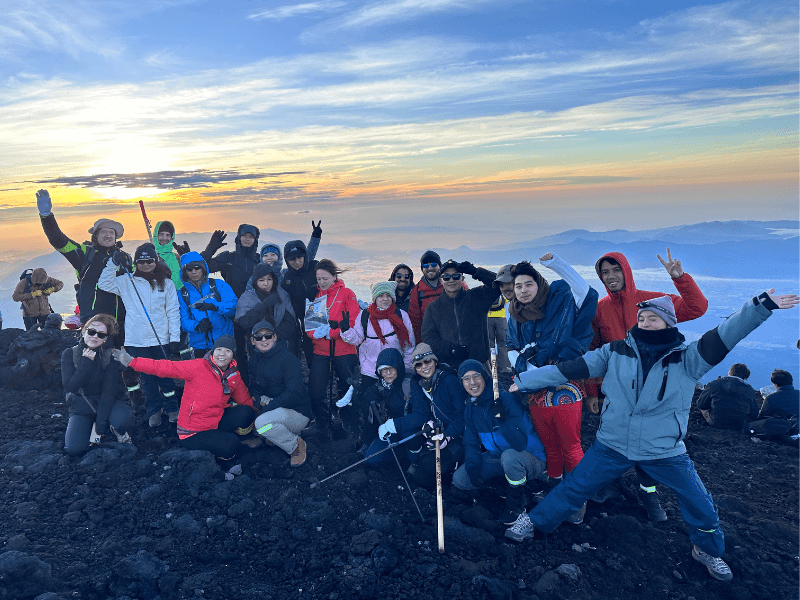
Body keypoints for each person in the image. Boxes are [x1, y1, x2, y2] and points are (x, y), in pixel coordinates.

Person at [504, 290, 799, 583]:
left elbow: (726, 334)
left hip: (665, 450)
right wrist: (525, 380)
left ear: (669, 323)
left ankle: (707, 550)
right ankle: (534, 521)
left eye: (653, 318)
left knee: (700, 504)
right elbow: (568, 369)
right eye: (642, 317)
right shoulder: (616, 351)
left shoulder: (689, 358)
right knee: (575, 488)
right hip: (613, 444)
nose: (645, 321)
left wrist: (761, 306)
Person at [585, 248, 708, 520]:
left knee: (646, 444)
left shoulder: (652, 301)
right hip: (616, 392)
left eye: (616, 270)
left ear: (626, 271)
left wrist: (680, 278)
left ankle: (649, 495)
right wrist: (592, 391)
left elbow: (696, 307)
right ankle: (605, 486)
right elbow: (594, 351)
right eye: (605, 272)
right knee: (610, 441)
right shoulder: (600, 309)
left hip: (653, 390)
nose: (611, 276)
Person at [506, 254, 598, 489]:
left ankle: (578, 496)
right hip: (536, 393)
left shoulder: (561, 303)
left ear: (539, 284)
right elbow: (512, 347)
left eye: (529, 284)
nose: (523, 290)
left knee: (571, 446)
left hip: (564, 387)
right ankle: (555, 488)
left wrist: (556, 264)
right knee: (551, 448)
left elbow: (587, 294)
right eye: (518, 286)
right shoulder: (516, 315)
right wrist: (531, 372)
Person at [114, 335, 257, 461]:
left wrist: (260, 423)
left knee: (246, 412)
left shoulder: (233, 376)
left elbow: (244, 400)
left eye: (228, 351)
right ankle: (217, 453)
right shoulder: (198, 367)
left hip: (215, 420)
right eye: (219, 349)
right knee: (232, 445)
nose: (222, 354)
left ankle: (219, 437)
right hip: (193, 431)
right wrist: (132, 362)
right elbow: (164, 367)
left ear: (233, 355)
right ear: (213, 351)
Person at [453, 359, 547, 525]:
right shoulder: (471, 408)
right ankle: (511, 486)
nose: (472, 382)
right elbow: (471, 443)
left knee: (510, 457)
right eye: (466, 379)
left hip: (530, 457)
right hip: (499, 457)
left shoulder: (506, 400)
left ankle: (516, 505)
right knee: (461, 478)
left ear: (485, 378)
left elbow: (520, 444)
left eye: (476, 376)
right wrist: (473, 467)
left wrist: (502, 421)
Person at [98, 243, 181, 427]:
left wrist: (175, 337)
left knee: (166, 374)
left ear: (155, 261)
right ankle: (154, 411)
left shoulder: (166, 284)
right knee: (147, 378)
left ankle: (172, 408)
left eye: (149, 261)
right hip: (137, 340)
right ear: (135, 263)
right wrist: (113, 263)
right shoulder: (126, 281)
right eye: (141, 261)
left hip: (162, 338)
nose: (145, 264)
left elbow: (173, 311)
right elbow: (103, 283)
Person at [35, 189, 126, 329]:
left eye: (112, 233)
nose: (108, 236)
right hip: (92, 321)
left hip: (121, 321)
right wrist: (46, 216)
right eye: (104, 232)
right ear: (95, 236)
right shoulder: (85, 253)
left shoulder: (124, 258)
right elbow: (59, 241)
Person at [61, 314, 134, 455]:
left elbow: (108, 393)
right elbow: (71, 387)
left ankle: (115, 428)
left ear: (106, 338)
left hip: (108, 402)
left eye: (101, 335)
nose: (95, 337)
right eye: (91, 332)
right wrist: (85, 363)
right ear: (84, 330)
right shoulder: (70, 353)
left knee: (124, 420)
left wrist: (100, 427)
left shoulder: (110, 356)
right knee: (74, 449)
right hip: (83, 405)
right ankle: (89, 424)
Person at [305, 259, 360, 439]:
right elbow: (310, 327)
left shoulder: (347, 294)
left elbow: (353, 322)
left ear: (334, 276)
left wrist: (333, 332)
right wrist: (316, 334)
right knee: (316, 390)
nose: (321, 282)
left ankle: (347, 422)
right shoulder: (316, 296)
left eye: (325, 278)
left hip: (344, 349)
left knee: (346, 387)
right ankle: (321, 423)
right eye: (318, 278)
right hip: (321, 349)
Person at [249, 321, 312, 466]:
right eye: (258, 337)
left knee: (262, 425)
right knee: (258, 430)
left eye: (268, 336)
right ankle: (278, 435)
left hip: (298, 413)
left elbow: (295, 392)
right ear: (252, 341)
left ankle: (295, 444)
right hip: (276, 410)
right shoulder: (254, 361)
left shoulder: (288, 359)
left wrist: (269, 406)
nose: (264, 340)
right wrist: (259, 399)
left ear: (275, 337)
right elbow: (254, 388)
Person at [407, 343, 466, 488]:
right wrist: (428, 423)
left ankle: (457, 466)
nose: (424, 367)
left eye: (427, 361)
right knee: (421, 479)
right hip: (437, 433)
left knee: (430, 464)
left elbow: (463, 414)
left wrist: (448, 435)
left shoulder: (449, 381)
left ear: (435, 361)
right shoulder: (419, 385)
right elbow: (422, 411)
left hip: (458, 435)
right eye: (419, 365)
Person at [421, 260, 499, 370]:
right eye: (446, 277)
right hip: (449, 368)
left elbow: (498, 284)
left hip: (479, 364)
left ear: (462, 279)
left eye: (456, 276)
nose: (451, 280)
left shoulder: (477, 297)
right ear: (440, 281)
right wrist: (450, 349)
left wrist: (474, 271)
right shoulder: (433, 308)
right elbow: (429, 338)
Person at [341, 281, 415, 386]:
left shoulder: (401, 315)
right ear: (375, 298)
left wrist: (407, 367)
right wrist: (346, 330)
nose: (385, 299)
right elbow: (357, 339)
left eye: (388, 295)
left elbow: (409, 344)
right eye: (381, 295)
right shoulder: (365, 316)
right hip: (370, 369)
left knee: (393, 400)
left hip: (395, 369)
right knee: (370, 398)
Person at [362, 348, 428, 465]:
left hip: (410, 429)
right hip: (390, 430)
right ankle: (400, 453)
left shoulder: (410, 384)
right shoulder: (379, 388)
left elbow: (421, 415)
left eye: (391, 369)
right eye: (383, 370)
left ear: (398, 367)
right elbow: (370, 419)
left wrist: (395, 424)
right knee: (371, 459)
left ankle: (415, 458)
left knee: (409, 437)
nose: (387, 373)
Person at [177, 252, 238, 358]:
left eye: (197, 268)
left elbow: (234, 307)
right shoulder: (182, 293)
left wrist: (215, 306)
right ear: (185, 272)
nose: (194, 272)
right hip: (199, 346)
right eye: (189, 269)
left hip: (224, 343)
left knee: (226, 374)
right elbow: (183, 320)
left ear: (203, 268)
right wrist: (197, 326)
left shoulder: (219, 285)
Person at [281, 221, 323, 364]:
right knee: (309, 349)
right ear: (287, 260)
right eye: (292, 259)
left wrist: (316, 236)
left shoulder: (315, 267)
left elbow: (310, 251)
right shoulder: (286, 277)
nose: (297, 261)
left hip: (324, 316)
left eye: (299, 257)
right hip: (304, 321)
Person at [235, 263, 298, 356]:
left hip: (280, 343)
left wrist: (271, 337)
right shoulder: (247, 297)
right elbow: (244, 322)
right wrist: (264, 305)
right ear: (255, 281)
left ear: (274, 279)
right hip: (257, 344)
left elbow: (290, 322)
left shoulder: (281, 294)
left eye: (269, 279)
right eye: (261, 280)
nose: (266, 283)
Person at [696, 363, 759, 430]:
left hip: (716, 422)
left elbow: (701, 404)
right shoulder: (749, 390)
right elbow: (754, 414)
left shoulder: (714, 383)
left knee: (704, 409)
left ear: (731, 371)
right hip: (739, 425)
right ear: (744, 377)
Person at [488, 264, 514, 373]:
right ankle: (504, 367)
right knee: (503, 343)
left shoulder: (489, 291)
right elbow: (507, 300)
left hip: (487, 318)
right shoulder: (503, 293)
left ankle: (490, 367)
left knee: (489, 344)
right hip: (501, 318)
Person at [153, 220, 190, 291]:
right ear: (156, 236)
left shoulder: (176, 257)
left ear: (172, 237)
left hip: (179, 296)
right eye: (161, 234)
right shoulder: (152, 257)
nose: (164, 238)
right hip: (160, 297)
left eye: (168, 235)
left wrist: (187, 256)